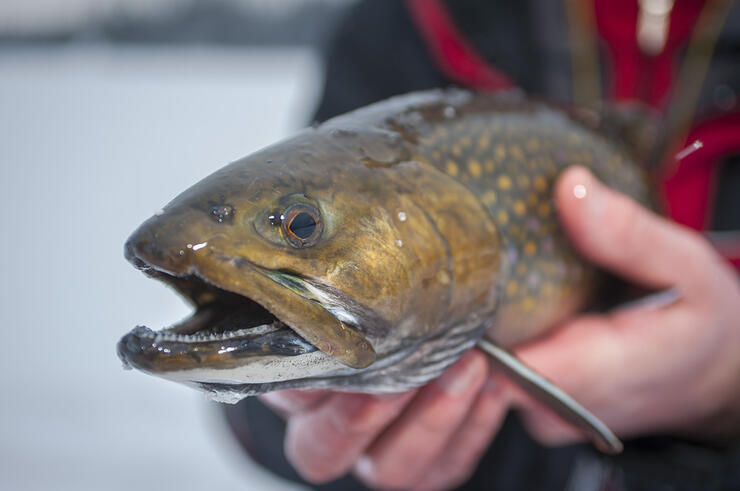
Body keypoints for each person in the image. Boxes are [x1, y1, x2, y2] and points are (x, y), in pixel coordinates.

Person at [224, 1, 740, 489]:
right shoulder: (404, 24)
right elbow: (266, 380)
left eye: (301, 225)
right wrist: (294, 413)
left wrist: (727, 392)